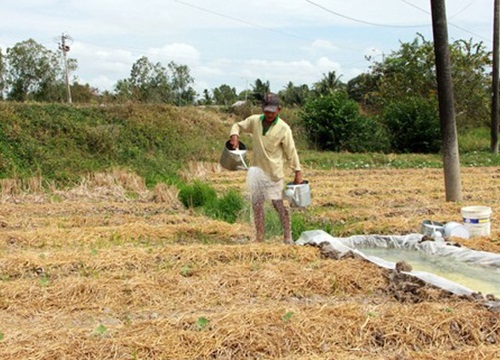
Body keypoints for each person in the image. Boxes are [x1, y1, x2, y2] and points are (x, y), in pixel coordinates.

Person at [228, 93, 303, 244]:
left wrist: (297, 171)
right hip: (256, 173)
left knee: (278, 204)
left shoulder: (283, 128)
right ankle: (260, 237)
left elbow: (291, 151)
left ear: (279, 110)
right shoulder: (255, 121)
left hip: (274, 174)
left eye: (272, 111)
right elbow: (237, 125)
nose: (269, 114)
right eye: (266, 111)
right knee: (257, 206)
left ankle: (288, 235)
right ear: (262, 108)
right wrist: (234, 135)